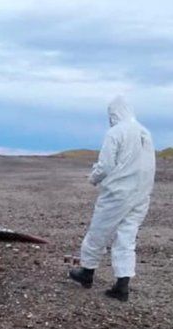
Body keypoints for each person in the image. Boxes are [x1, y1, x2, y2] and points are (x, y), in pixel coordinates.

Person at [69, 95, 155, 302]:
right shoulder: (145, 132)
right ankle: (122, 284)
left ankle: (87, 272)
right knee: (127, 236)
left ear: (114, 113)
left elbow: (106, 165)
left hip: (119, 192)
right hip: (141, 192)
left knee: (99, 231)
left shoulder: (116, 132)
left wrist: (94, 178)